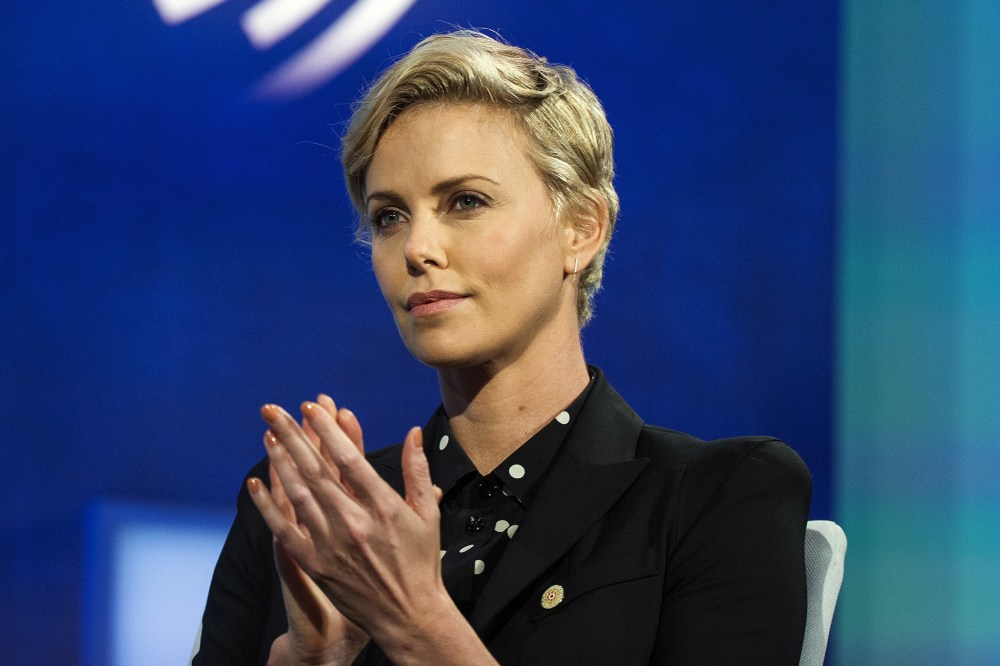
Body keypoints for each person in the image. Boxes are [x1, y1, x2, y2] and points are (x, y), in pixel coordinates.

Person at [193, 30, 811, 665]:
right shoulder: (317, 518)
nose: (416, 248)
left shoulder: (714, 497)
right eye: (389, 216)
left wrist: (418, 626)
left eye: (466, 202)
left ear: (582, 229)